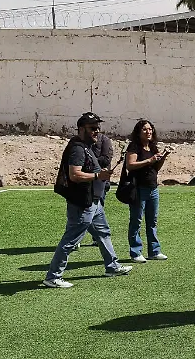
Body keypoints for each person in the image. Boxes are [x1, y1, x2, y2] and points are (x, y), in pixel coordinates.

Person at [43, 112, 133, 289]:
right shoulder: (77, 148)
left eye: (98, 128)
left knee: (103, 233)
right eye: (93, 128)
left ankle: (112, 266)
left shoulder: (86, 146)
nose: (97, 131)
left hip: (94, 201)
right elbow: (74, 174)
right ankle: (53, 276)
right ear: (82, 129)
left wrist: (100, 175)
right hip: (83, 202)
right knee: (71, 239)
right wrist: (98, 175)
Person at [121, 119, 168, 262]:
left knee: (152, 220)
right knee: (136, 220)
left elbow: (156, 168)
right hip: (138, 188)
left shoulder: (153, 147)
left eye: (150, 129)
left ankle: (154, 251)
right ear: (138, 132)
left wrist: (163, 156)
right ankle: (136, 252)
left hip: (153, 188)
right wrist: (150, 160)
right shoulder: (134, 147)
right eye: (145, 130)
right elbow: (130, 165)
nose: (149, 132)